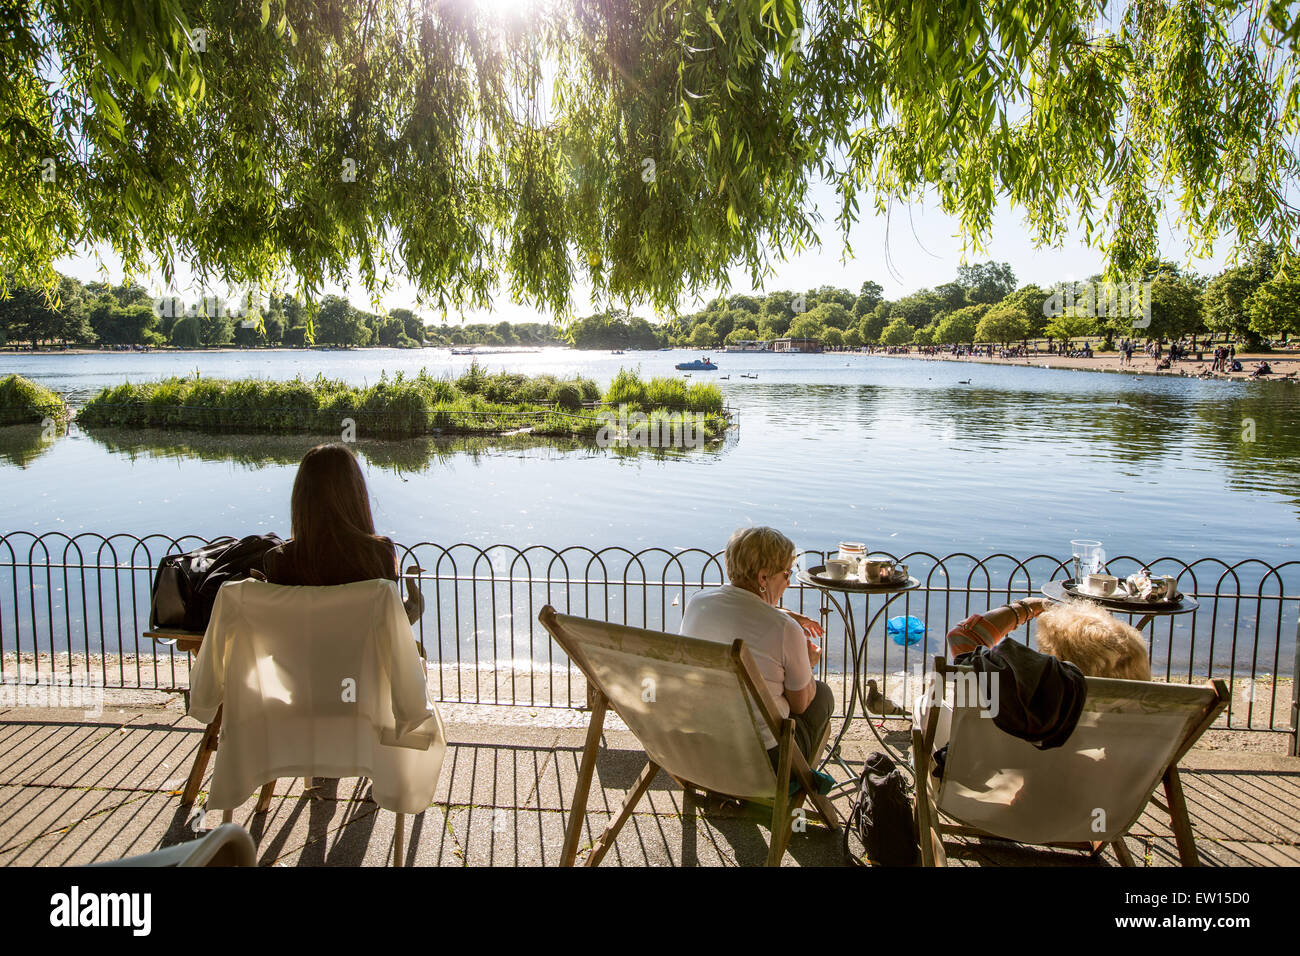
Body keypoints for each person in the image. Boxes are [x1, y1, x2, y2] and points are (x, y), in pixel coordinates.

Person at [680, 526, 834, 774]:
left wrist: (787, 615)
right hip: (761, 761)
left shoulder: (698, 604)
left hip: (703, 748)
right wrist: (808, 663)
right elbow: (800, 705)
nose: (788, 583)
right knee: (823, 695)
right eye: (786, 574)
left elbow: (741, 612)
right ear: (763, 578)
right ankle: (799, 780)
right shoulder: (785, 629)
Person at [264, 443, 423, 624]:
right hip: (363, 653)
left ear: (301, 497)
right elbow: (385, 622)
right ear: (356, 493)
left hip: (300, 652)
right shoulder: (379, 553)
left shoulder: (279, 560)